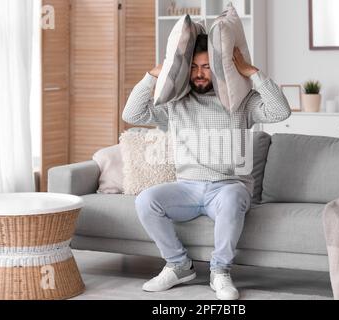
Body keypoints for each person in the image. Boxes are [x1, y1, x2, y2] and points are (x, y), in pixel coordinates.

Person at [122, 34, 291, 300]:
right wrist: (153, 75)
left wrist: (252, 72)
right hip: (187, 188)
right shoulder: (176, 102)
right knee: (146, 200)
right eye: (193, 67)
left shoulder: (241, 101)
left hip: (228, 187)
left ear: (219, 69)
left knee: (233, 196)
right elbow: (131, 115)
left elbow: (280, 112)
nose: (199, 74)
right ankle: (179, 266)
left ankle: (220, 271)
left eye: (206, 67)